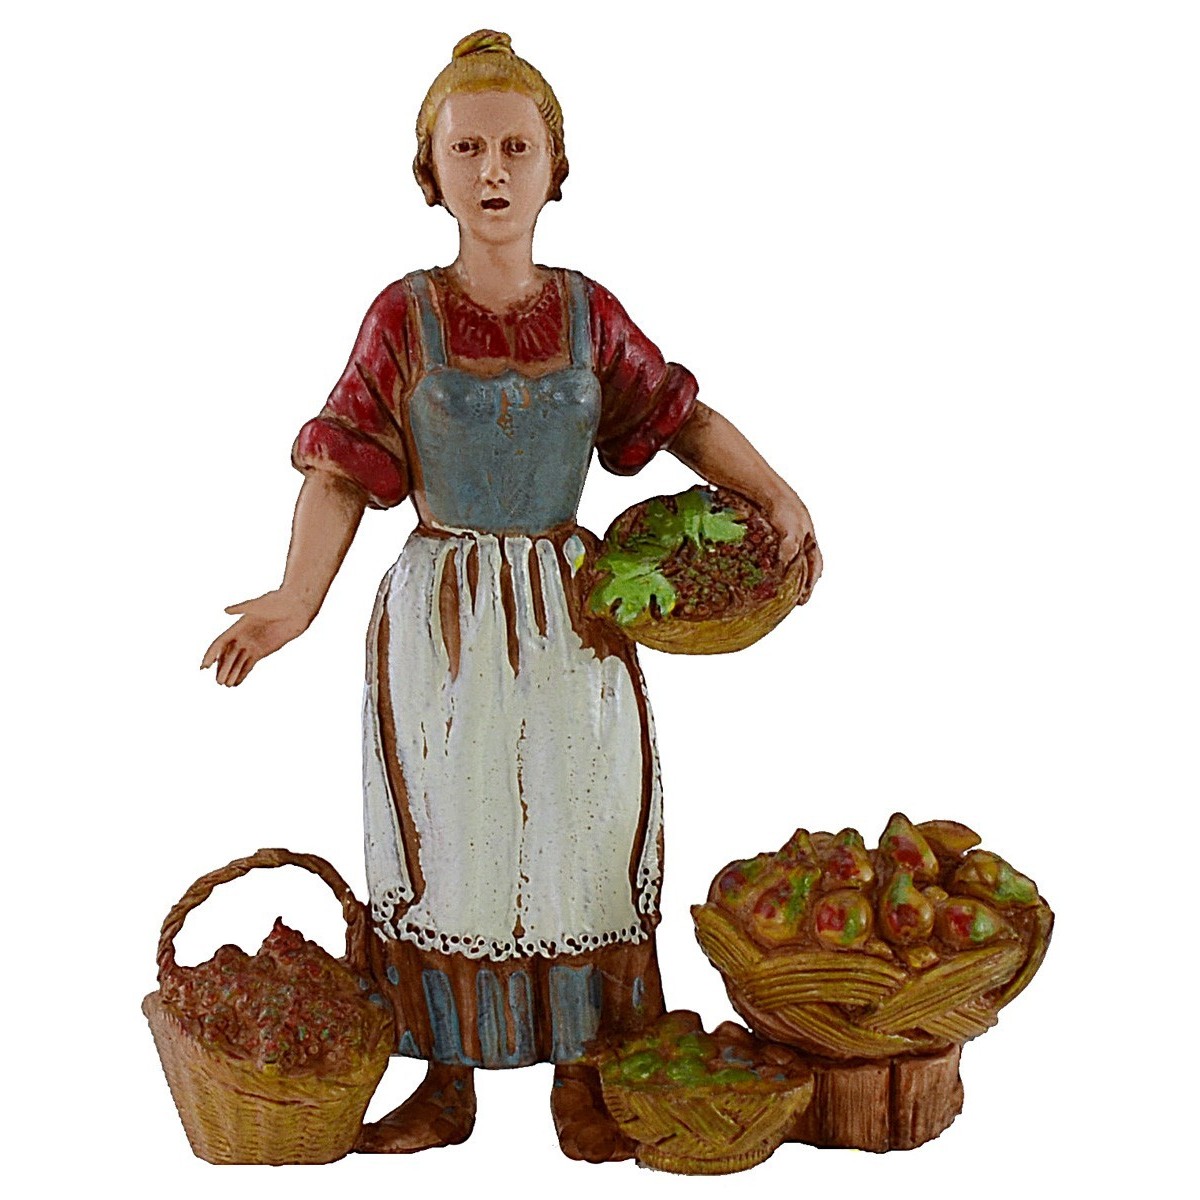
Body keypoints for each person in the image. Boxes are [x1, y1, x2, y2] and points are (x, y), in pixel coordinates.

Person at [202, 30, 821, 1162]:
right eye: (468, 148)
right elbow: (340, 468)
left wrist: (775, 492)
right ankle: (446, 1077)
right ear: (430, 171)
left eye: (516, 148)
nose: (493, 171)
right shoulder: (404, 317)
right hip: (441, 619)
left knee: (585, 824)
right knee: (450, 835)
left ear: (555, 167)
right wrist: (295, 598)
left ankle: (588, 1069)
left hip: (571, 613)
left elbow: (679, 418)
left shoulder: (588, 314)